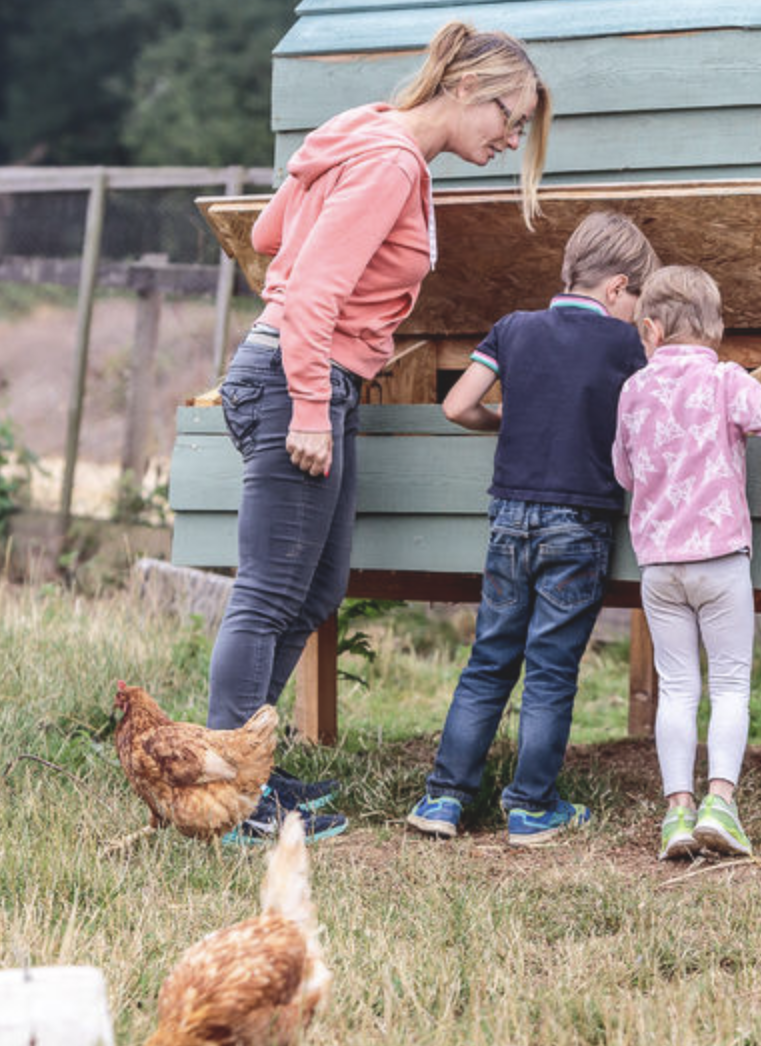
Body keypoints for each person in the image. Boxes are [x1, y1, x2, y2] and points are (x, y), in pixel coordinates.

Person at [207, 22, 552, 844]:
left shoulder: (366, 132)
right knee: (265, 593)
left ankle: (250, 762)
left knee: (315, 592)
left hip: (305, 373)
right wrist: (309, 409)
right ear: (466, 87)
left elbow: (265, 238)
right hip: (300, 377)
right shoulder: (394, 161)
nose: (510, 138)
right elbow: (312, 292)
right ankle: (228, 796)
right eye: (510, 117)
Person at [406, 211, 661, 847]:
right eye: (637, 300)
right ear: (617, 288)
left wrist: (508, 421)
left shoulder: (513, 329)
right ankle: (530, 806)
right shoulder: (626, 345)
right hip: (578, 524)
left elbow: (456, 405)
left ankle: (443, 798)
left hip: (510, 517)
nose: (636, 312)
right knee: (549, 669)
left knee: (489, 658)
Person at [610, 265, 761, 860]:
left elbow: (623, 472)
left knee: (676, 687)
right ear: (717, 329)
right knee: (730, 684)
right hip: (721, 560)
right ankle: (721, 804)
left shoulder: (632, 390)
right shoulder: (726, 381)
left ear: (649, 329)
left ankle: (676, 812)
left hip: (659, 567)